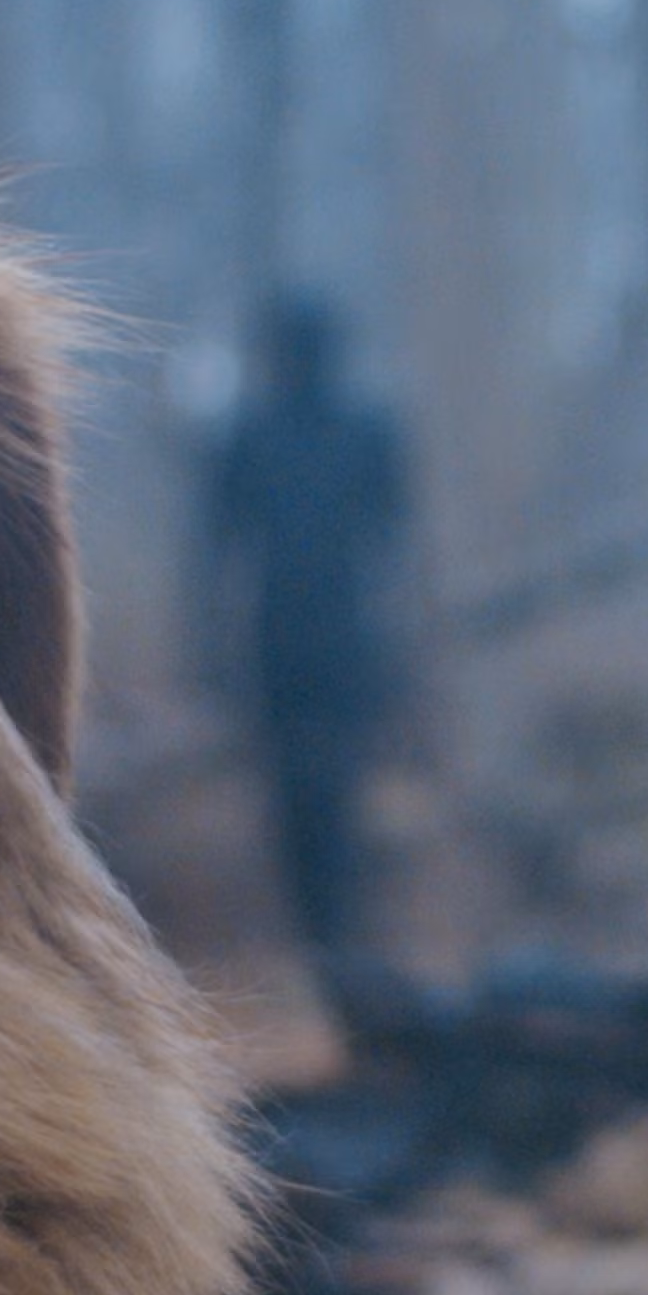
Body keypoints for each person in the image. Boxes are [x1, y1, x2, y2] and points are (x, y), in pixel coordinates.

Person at [195, 291, 409, 978]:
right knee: (295, 790)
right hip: (290, 636)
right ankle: (318, 935)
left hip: (337, 636)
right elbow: (215, 551)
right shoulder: (251, 437)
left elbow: (395, 548)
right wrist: (209, 650)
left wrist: (403, 650)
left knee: (334, 790)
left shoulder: (368, 434)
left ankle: (338, 937)